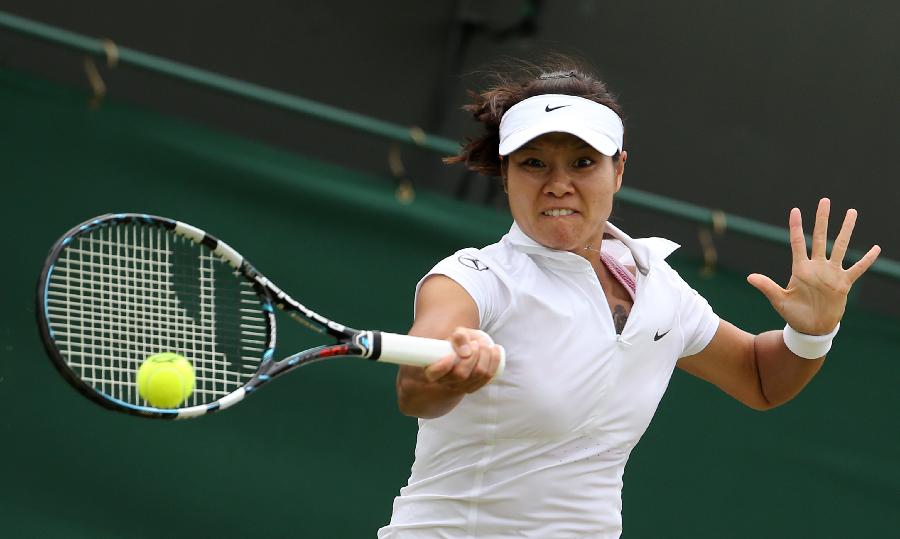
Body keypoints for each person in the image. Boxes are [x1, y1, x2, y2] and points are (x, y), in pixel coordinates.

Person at [377, 60, 881, 539]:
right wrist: (449, 370)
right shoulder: (473, 278)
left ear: (618, 170)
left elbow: (760, 378)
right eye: (534, 164)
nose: (558, 185)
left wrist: (813, 332)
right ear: (506, 174)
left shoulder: (657, 286)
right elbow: (416, 385)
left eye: (582, 162)